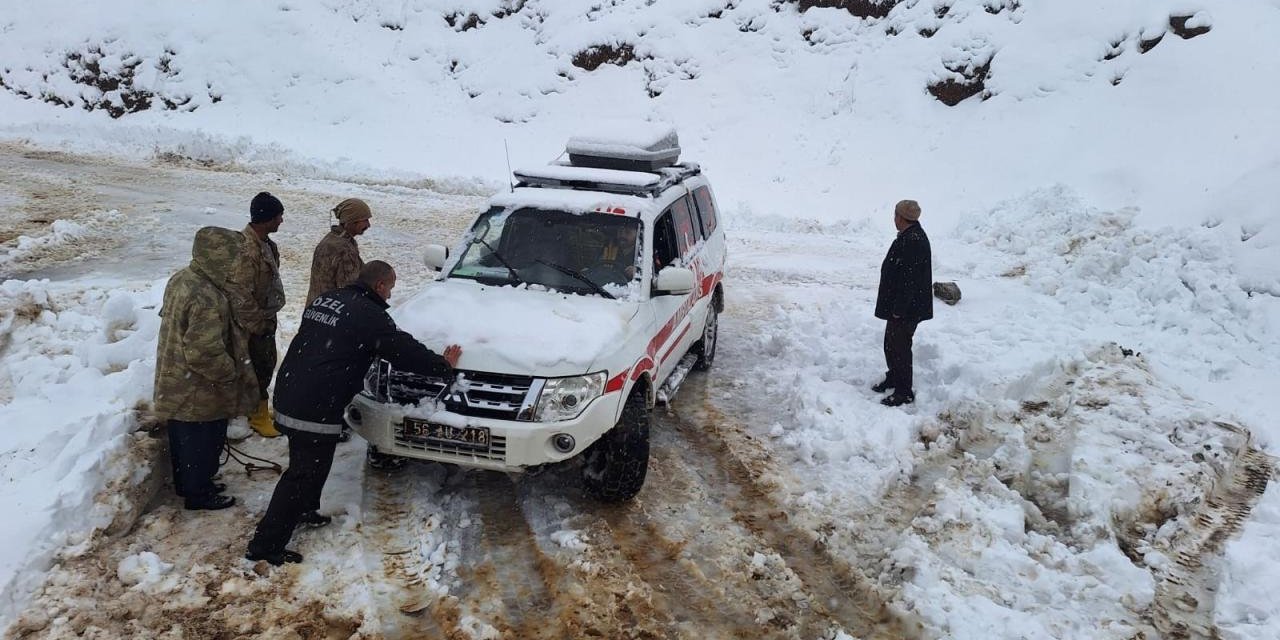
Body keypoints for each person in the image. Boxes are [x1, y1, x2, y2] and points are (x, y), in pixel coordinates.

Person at [246, 261, 462, 565]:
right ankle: (265, 545)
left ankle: (304, 509)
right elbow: (402, 350)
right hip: (315, 403)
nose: (391, 293)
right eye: (391, 286)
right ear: (380, 286)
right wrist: (442, 366)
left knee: (312, 462)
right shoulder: (369, 316)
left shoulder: (329, 299)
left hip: (291, 390)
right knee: (302, 472)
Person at [153, 227, 259, 510]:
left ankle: (189, 484)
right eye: (233, 256)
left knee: (184, 442)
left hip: (176, 382)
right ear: (217, 256)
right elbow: (203, 352)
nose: (237, 262)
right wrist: (229, 374)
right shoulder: (206, 295)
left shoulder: (183, 279)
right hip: (198, 388)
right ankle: (199, 494)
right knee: (202, 442)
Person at [228, 192, 287, 438]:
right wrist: (257, 324)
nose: (281, 221)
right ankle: (256, 415)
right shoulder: (246, 249)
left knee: (265, 364)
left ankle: (259, 409)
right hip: (252, 323)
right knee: (256, 367)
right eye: (278, 217)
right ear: (265, 219)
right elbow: (240, 295)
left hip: (265, 319)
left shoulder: (267, 245)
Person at [872, 199, 933, 407]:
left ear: (900, 218)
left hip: (906, 309)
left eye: (895, 215)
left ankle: (904, 391)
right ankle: (894, 377)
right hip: (900, 306)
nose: (894, 219)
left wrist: (899, 309)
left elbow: (910, 280)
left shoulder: (913, 241)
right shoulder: (909, 236)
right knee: (891, 344)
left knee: (900, 347)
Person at [305, 198, 370, 306]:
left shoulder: (331, 238)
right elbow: (350, 291)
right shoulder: (344, 249)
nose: (368, 225)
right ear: (351, 220)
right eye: (365, 220)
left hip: (316, 309)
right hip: (331, 312)